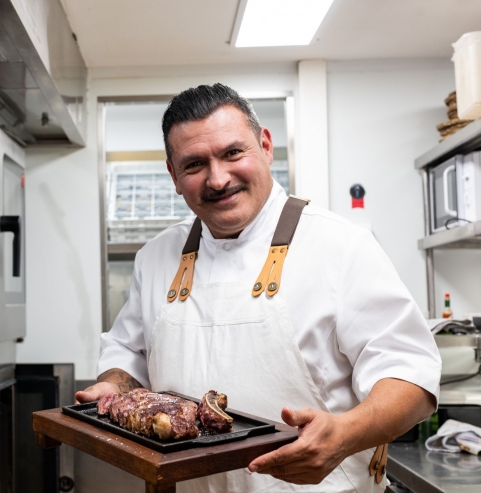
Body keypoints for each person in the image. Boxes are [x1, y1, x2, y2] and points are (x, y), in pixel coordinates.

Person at [76, 83, 441, 492]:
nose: (218, 179)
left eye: (233, 153)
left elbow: (410, 375)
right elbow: (129, 351)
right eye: (194, 164)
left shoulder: (340, 245)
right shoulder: (156, 256)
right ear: (173, 175)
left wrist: (345, 434)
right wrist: (113, 385)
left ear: (265, 146)